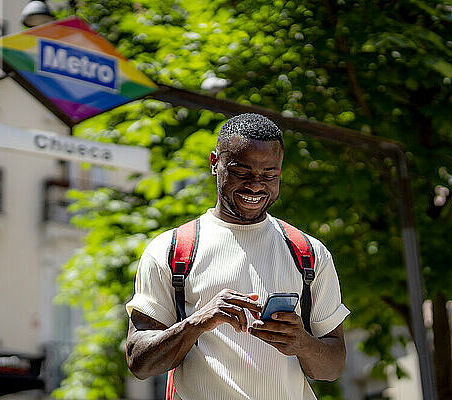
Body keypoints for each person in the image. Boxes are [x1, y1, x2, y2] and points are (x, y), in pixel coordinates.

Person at [125, 113, 350, 400]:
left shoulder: (309, 252)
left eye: (269, 175)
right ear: (214, 163)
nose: (255, 185)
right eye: (241, 172)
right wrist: (199, 321)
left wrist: (302, 343)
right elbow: (139, 362)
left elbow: (332, 366)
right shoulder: (170, 250)